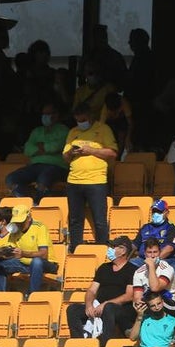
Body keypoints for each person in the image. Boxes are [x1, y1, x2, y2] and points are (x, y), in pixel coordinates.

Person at [63, 104, 116, 251]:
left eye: (84, 119)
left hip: (96, 181)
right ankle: (76, 248)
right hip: (73, 181)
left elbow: (112, 153)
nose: (81, 123)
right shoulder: (73, 132)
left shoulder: (103, 129)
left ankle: (102, 248)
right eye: (78, 120)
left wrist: (90, 150)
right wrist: (71, 153)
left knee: (99, 220)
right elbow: (65, 157)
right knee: (75, 219)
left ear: (91, 116)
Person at [67, 236, 136, 346]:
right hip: (99, 306)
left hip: (121, 310)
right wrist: (89, 305)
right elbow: (92, 290)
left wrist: (106, 304)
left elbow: (129, 295)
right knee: (72, 309)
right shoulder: (104, 268)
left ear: (123, 250)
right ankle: (79, 343)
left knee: (109, 308)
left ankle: (104, 345)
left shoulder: (132, 270)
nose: (109, 249)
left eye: (113, 247)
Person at [0, 205, 53, 295]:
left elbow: (44, 254)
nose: (19, 224)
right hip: (23, 262)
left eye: (21, 221)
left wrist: (23, 254)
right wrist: (1, 254)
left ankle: (32, 295)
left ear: (28, 218)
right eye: (16, 222)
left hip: (46, 263)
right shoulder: (15, 230)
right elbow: (12, 249)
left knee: (37, 262)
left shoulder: (39, 227)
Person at [8, 104, 69, 199]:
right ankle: (25, 201)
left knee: (44, 177)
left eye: (48, 114)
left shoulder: (64, 131)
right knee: (12, 178)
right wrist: (46, 148)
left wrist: (39, 147)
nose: (45, 116)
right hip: (35, 166)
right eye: (44, 114)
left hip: (57, 167)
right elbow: (27, 149)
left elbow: (56, 147)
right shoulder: (37, 131)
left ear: (56, 115)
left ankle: (38, 204)